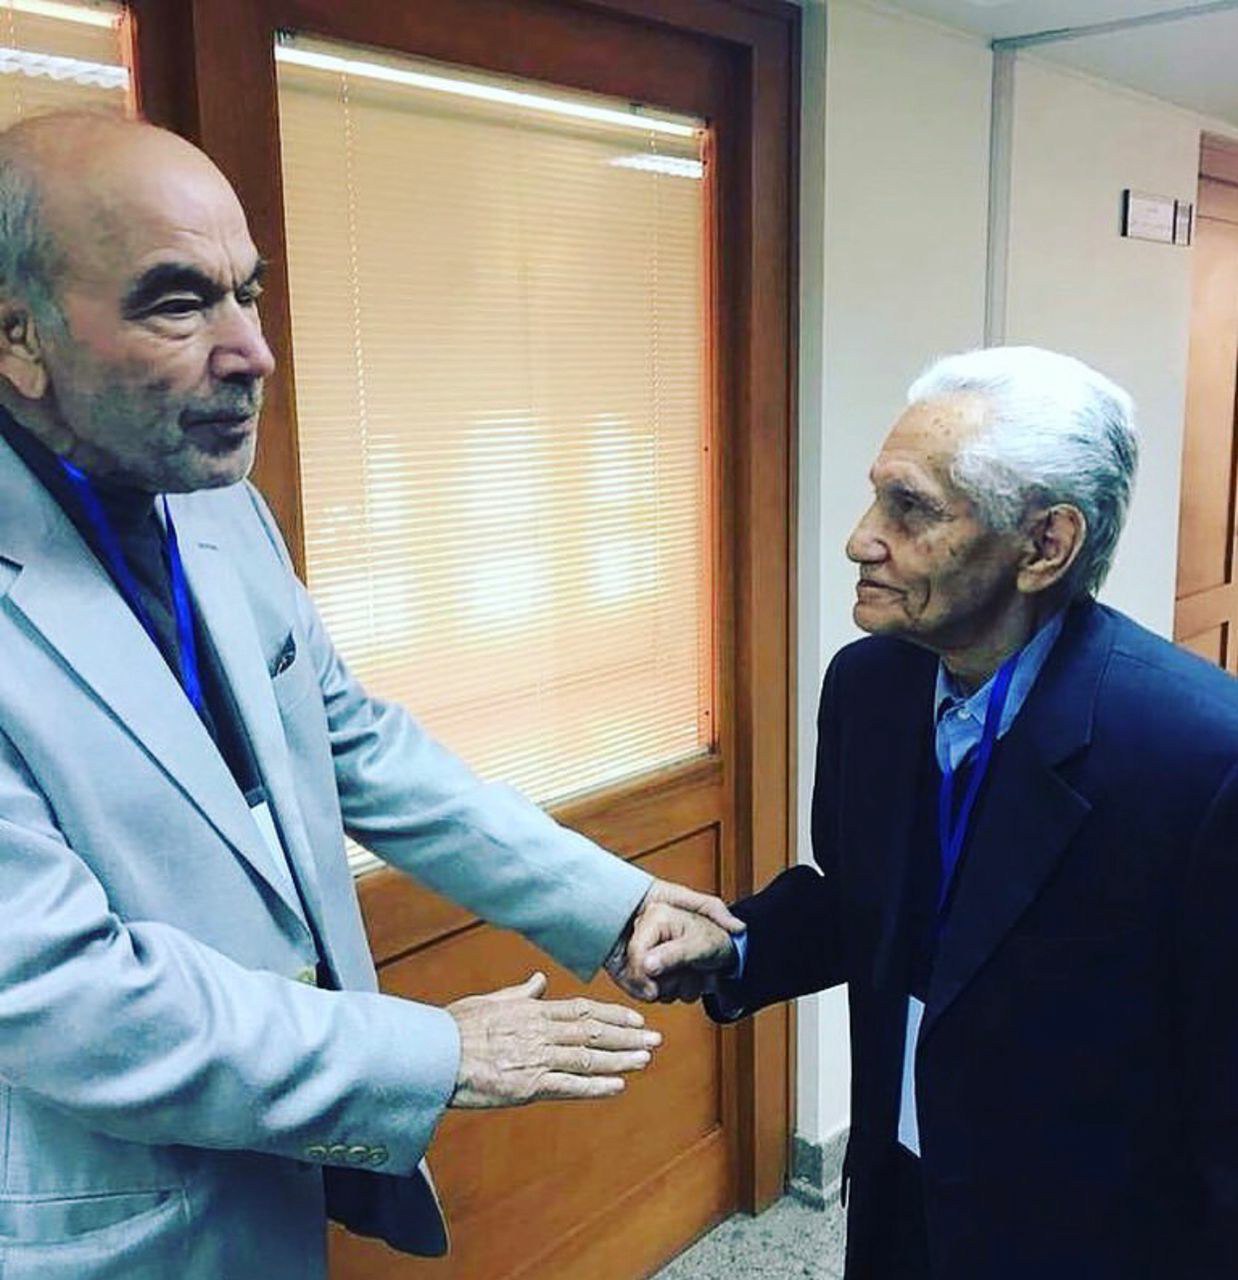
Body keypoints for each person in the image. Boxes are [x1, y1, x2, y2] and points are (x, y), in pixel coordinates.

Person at [0, 111, 740, 1279]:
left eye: (248, 293)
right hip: (114, 1220)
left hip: (271, 1164)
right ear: (18, 334)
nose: (253, 351)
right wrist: (431, 1051)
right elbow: (61, 991)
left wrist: (608, 901)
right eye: (179, 303)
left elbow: (349, 740)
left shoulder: (212, 502)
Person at [632, 346, 1238, 1277]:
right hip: (899, 1198)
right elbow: (867, 906)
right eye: (877, 497)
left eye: (910, 508)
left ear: (1045, 545)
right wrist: (738, 944)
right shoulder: (869, 686)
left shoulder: (1201, 759)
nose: (860, 539)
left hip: (1084, 1239)